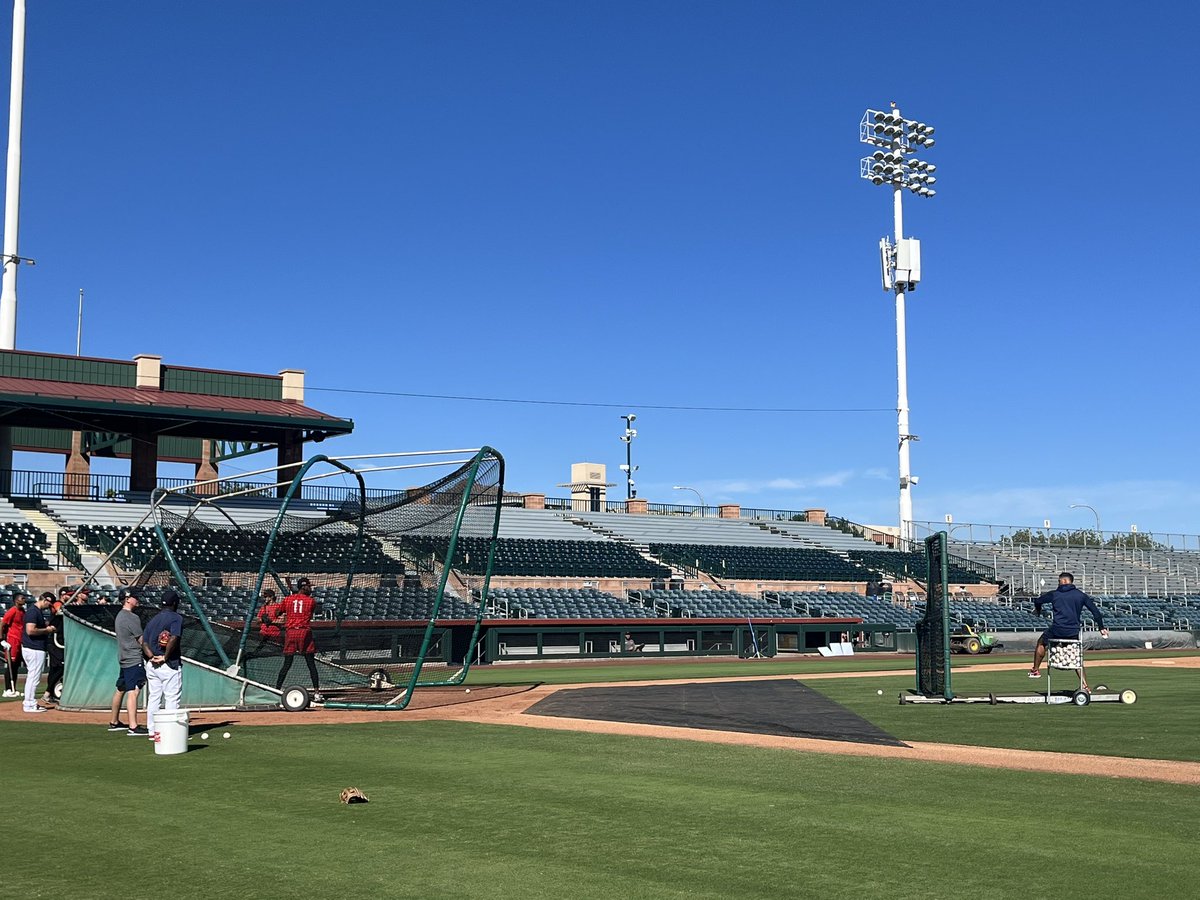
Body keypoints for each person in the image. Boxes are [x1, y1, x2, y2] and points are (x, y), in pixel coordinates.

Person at [1029, 572, 1109, 688]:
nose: (1058, 583)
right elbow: (1095, 612)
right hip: (1073, 631)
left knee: (1041, 643)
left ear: (1064, 581)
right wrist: (1101, 628)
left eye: (1059, 580)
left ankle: (1035, 670)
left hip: (1057, 629)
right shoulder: (1081, 595)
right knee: (1076, 658)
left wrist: (1038, 610)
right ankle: (1085, 686)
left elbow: (1037, 601)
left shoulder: (1054, 594)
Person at [142, 589, 184, 738]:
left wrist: (152, 656)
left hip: (152, 664)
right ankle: (170, 733)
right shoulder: (176, 618)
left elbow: (144, 641)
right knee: (171, 698)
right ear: (174, 603)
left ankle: (153, 731)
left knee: (154, 697)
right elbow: (174, 638)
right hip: (169, 664)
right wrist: (165, 657)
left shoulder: (153, 619)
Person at [274, 577, 321, 700]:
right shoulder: (311, 601)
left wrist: (287, 608)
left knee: (287, 664)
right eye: (308, 586)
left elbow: (277, 612)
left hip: (290, 632)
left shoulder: (288, 599)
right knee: (311, 664)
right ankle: (316, 693)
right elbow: (309, 613)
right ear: (303, 587)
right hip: (304, 631)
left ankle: (276, 690)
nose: (310, 589)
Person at [110, 588, 147, 734]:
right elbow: (141, 640)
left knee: (121, 688)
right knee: (134, 690)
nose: (137, 599)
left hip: (124, 657)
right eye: (134, 597)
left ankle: (114, 721)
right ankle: (133, 726)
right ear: (127, 599)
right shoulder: (132, 617)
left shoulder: (119, 615)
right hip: (133, 658)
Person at [21, 592, 56, 713]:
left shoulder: (35, 611)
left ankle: (30, 702)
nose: (48, 606)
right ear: (45, 600)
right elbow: (30, 631)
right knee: (33, 677)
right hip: (34, 648)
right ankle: (29, 704)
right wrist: (47, 630)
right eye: (49, 603)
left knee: (33, 676)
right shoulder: (33, 611)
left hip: (33, 648)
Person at [42, 593, 67, 706]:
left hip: (60, 641)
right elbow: (57, 609)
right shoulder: (58, 604)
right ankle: (48, 692)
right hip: (55, 642)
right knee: (60, 667)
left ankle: (50, 693)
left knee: (55, 668)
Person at [2, 595, 25, 697]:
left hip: (20, 640)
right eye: (22, 598)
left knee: (15, 666)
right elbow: (2, 624)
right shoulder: (12, 611)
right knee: (11, 665)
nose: (24, 600)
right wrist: (1, 640)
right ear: (16, 600)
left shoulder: (22, 611)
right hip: (12, 640)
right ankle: (7, 689)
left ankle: (13, 688)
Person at [253, 587, 283, 654]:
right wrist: (263, 620)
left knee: (275, 653)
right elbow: (257, 620)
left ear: (271, 597)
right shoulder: (264, 607)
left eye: (266, 596)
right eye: (264, 597)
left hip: (274, 635)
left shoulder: (278, 607)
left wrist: (271, 621)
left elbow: (283, 621)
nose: (265, 598)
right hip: (263, 634)